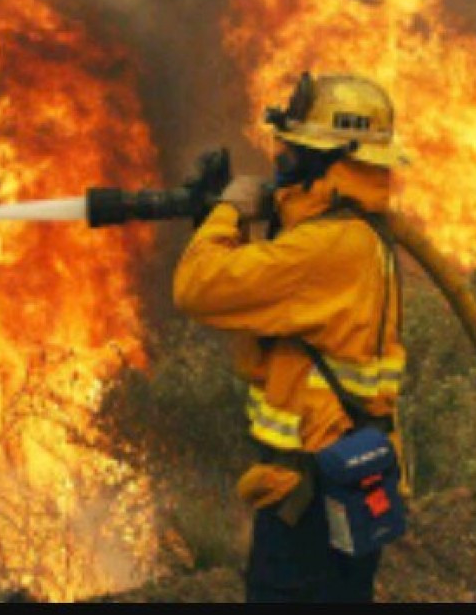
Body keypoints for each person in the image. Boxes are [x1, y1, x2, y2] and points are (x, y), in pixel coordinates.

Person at [171, 71, 409, 602]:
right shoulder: (355, 235)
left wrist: (227, 213)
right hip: (340, 482)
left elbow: (197, 288)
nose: (283, 162)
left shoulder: (328, 247)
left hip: (311, 499)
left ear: (332, 161)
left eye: (296, 153)